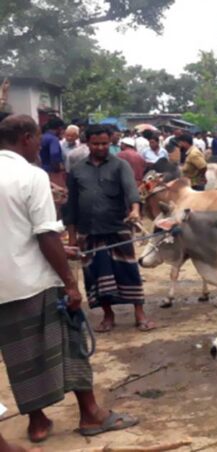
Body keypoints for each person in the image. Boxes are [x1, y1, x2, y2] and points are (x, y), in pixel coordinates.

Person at [0, 115, 139, 446]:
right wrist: (70, 282)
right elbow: (46, 233)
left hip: (3, 287)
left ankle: (37, 422)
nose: (41, 146)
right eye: (38, 138)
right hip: (36, 281)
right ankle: (90, 413)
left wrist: (63, 248)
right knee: (72, 342)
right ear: (25, 138)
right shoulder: (30, 175)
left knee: (19, 356)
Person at [65, 125, 154, 333]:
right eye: (96, 144)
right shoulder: (77, 170)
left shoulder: (120, 165)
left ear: (110, 142)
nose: (100, 147)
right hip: (89, 231)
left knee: (128, 270)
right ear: (88, 143)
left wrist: (134, 210)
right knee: (96, 274)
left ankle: (139, 313)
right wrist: (72, 236)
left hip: (117, 228)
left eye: (104, 143)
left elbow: (131, 191)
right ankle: (108, 315)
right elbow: (71, 206)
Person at [39, 118, 66, 188]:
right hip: (51, 172)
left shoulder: (41, 137)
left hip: (40, 169)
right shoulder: (53, 139)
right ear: (59, 128)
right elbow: (54, 154)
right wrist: (57, 168)